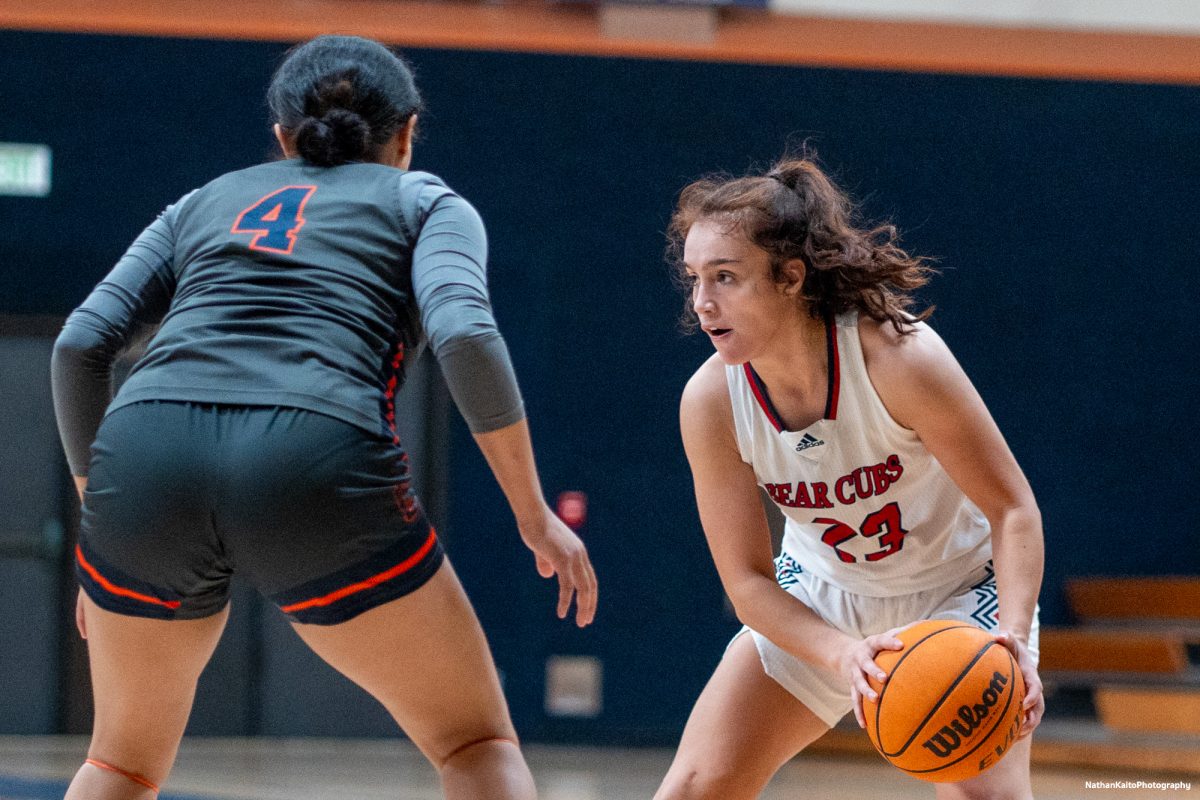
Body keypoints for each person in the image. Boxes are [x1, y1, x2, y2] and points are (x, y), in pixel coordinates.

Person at [51, 34, 597, 800]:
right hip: (310, 451)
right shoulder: (424, 201)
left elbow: (79, 345)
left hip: (142, 456)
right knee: (473, 741)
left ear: (281, 137)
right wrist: (532, 512)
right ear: (407, 134)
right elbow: (467, 335)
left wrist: (100, 528)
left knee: (119, 764)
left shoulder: (202, 202)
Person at [655, 156, 1043, 800]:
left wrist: (1016, 633)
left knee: (985, 795)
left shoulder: (898, 358)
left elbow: (1013, 511)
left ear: (790, 277)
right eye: (694, 279)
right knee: (695, 788)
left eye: (725, 277)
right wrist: (841, 654)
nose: (702, 303)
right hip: (824, 593)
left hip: (959, 592)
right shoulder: (711, 402)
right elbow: (746, 583)